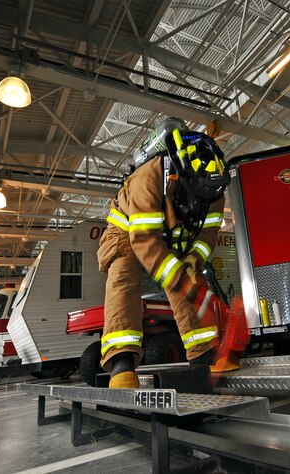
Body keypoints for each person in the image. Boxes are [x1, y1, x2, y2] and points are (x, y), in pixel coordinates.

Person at [97, 117, 239, 389]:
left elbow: (208, 234)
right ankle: (122, 364)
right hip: (128, 231)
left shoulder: (214, 188)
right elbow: (144, 240)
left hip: (172, 233)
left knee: (190, 277)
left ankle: (204, 354)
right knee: (123, 278)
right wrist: (177, 276)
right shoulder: (148, 177)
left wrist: (192, 260)